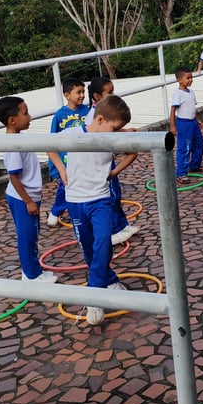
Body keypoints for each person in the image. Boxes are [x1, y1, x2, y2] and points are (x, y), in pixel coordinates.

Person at [62, 95, 136, 325]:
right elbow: (49, 147)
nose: (116, 132)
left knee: (103, 240)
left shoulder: (111, 136)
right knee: (87, 246)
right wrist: (61, 171)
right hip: (75, 200)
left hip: (101, 199)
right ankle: (109, 279)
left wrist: (115, 172)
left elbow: (133, 149)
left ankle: (94, 295)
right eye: (115, 128)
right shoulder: (72, 133)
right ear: (101, 119)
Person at [0, 96, 57, 284]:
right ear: (12, 120)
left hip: (29, 196)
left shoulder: (20, 139)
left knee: (32, 234)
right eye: (26, 113)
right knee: (26, 236)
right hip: (22, 198)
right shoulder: (12, 146)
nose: (30, 117)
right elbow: (14, 177)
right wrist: (28, 201)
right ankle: (30, 275)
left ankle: (34, 270)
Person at [84, 76, 139, 246]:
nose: (113, 95)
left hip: (107, 161)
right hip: (100, 166)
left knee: (116, 195)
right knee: (108, 198)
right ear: (97, 96)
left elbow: (112, 130)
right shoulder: (92, 116)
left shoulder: (104, 113)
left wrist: (125, 131)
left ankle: (121, 225)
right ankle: (113, 230)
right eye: (110, 92)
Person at [46, 78, 90, 228]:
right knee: (65, 186)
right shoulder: (59, 115)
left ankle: (82, 210)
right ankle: (56, 211)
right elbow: (52, 142)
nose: (82, 95)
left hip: (84, 157)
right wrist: (55, 166)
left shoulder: (88, 111)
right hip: (67, 160)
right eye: (78, 92)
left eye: (83, 92)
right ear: (67, 94)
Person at [169, 66, 203, 185]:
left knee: (199, 143)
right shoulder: (177, 93)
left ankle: (195, 165)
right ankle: (181, 173)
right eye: (187, 78)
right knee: (184, 148)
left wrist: (198, 120)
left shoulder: (191, 92)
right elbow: (173, 110)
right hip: (183, 124)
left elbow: (192, 108)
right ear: (180, 79)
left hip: (193, 123)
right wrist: (173, 126)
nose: (190, 80)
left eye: (191, 77)